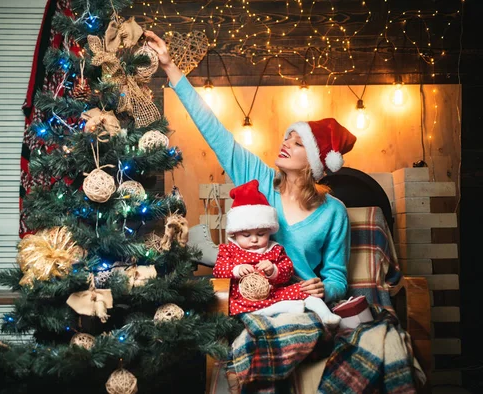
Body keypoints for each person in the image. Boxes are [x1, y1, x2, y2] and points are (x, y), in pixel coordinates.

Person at [144, 30, 357, 305]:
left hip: (298, 301)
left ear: (315, 162)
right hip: (249, 297)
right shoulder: (259, 180)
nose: (286, 144)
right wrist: (170, 67)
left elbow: (337, 278)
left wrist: (324, 290)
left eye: (298, 143)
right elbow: (215, 132)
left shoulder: (333, 213)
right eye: (287, 138)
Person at [213, 179, 341, 326]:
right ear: (234, 234)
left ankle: (326, 315)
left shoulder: (274, 249)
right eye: (246, 235)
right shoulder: (229, 250)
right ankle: (275, 309)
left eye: (261, 234)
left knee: (305, 291)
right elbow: (219, 270)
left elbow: (287, 270)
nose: (254, 240)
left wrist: (273, 270)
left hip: (274, 294)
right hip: (243, 300)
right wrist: (236, 269)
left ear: (269, 230)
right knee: (230, 307)